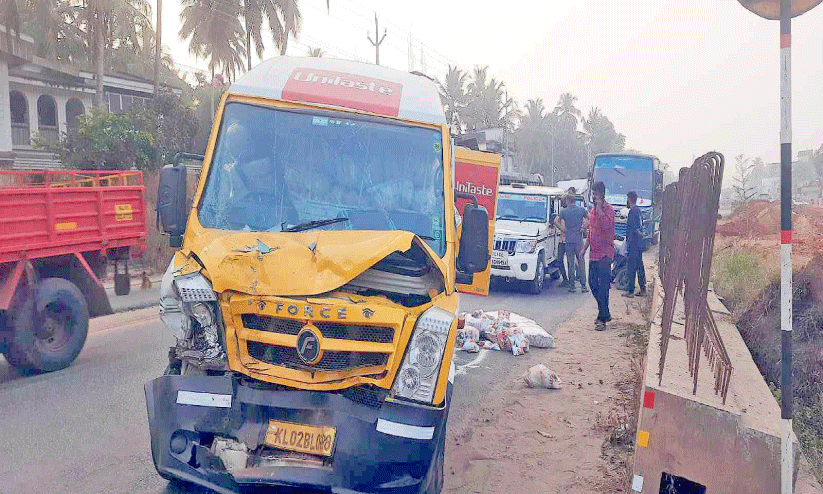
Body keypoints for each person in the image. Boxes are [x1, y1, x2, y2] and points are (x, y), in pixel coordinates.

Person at [587, 181, 615, 330]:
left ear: (602, 195)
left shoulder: (609, 210)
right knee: (591, 282)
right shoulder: (591, 211)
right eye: (593, 193)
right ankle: (605, 312)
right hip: (593, 253)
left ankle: (602, 319)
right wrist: (584, 248)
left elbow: (606, 226)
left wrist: (599, 208)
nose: (593, 196)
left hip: (605, 253)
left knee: (603, 286)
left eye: (596, 193)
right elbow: (592, 231)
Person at [557, 192, 589, 293]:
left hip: (569, 241)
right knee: (581, 263)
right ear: (575, 201)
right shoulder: (581, 210)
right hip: (579, 241)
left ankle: (572, 286)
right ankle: (583, 286)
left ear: (567, 201)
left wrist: (562, 229)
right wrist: (584, 227)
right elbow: (589, 219)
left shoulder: (564, 212)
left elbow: (555, 221)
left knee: (570, 264)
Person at [623, 191, 647, 298]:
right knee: (639, 266)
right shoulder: (638, 211)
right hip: (639, 244)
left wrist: (629, 243)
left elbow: (634, 229)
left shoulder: (633, 212)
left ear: (630, 199)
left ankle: (630, 291)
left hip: (633, 245)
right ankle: (643, 289)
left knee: (631, 267)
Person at [556, 195, 570, 288]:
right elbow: (556, 221)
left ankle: (570, 280)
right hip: (563, 239)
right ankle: (566, 279)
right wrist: (562, 229)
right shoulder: (562, 212)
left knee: (570, 261)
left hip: (569, 240)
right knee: (560, 260)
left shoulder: (569, 211)